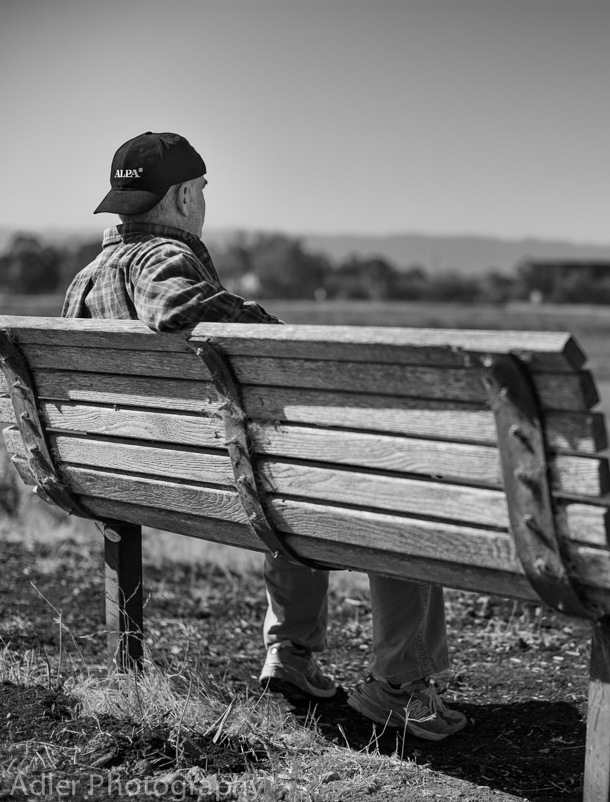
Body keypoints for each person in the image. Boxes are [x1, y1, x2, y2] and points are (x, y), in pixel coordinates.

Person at [63, 132, 466, 741]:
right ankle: (402, 688)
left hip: (134, 475)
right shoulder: (159, 261)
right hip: (222, 477)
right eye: (199, 191)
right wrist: (275, 335)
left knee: (282, 478)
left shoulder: (86, 281)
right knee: (390, 487)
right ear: (182, 196)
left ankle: (292, 657)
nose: (201, 203)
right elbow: (174, 308)